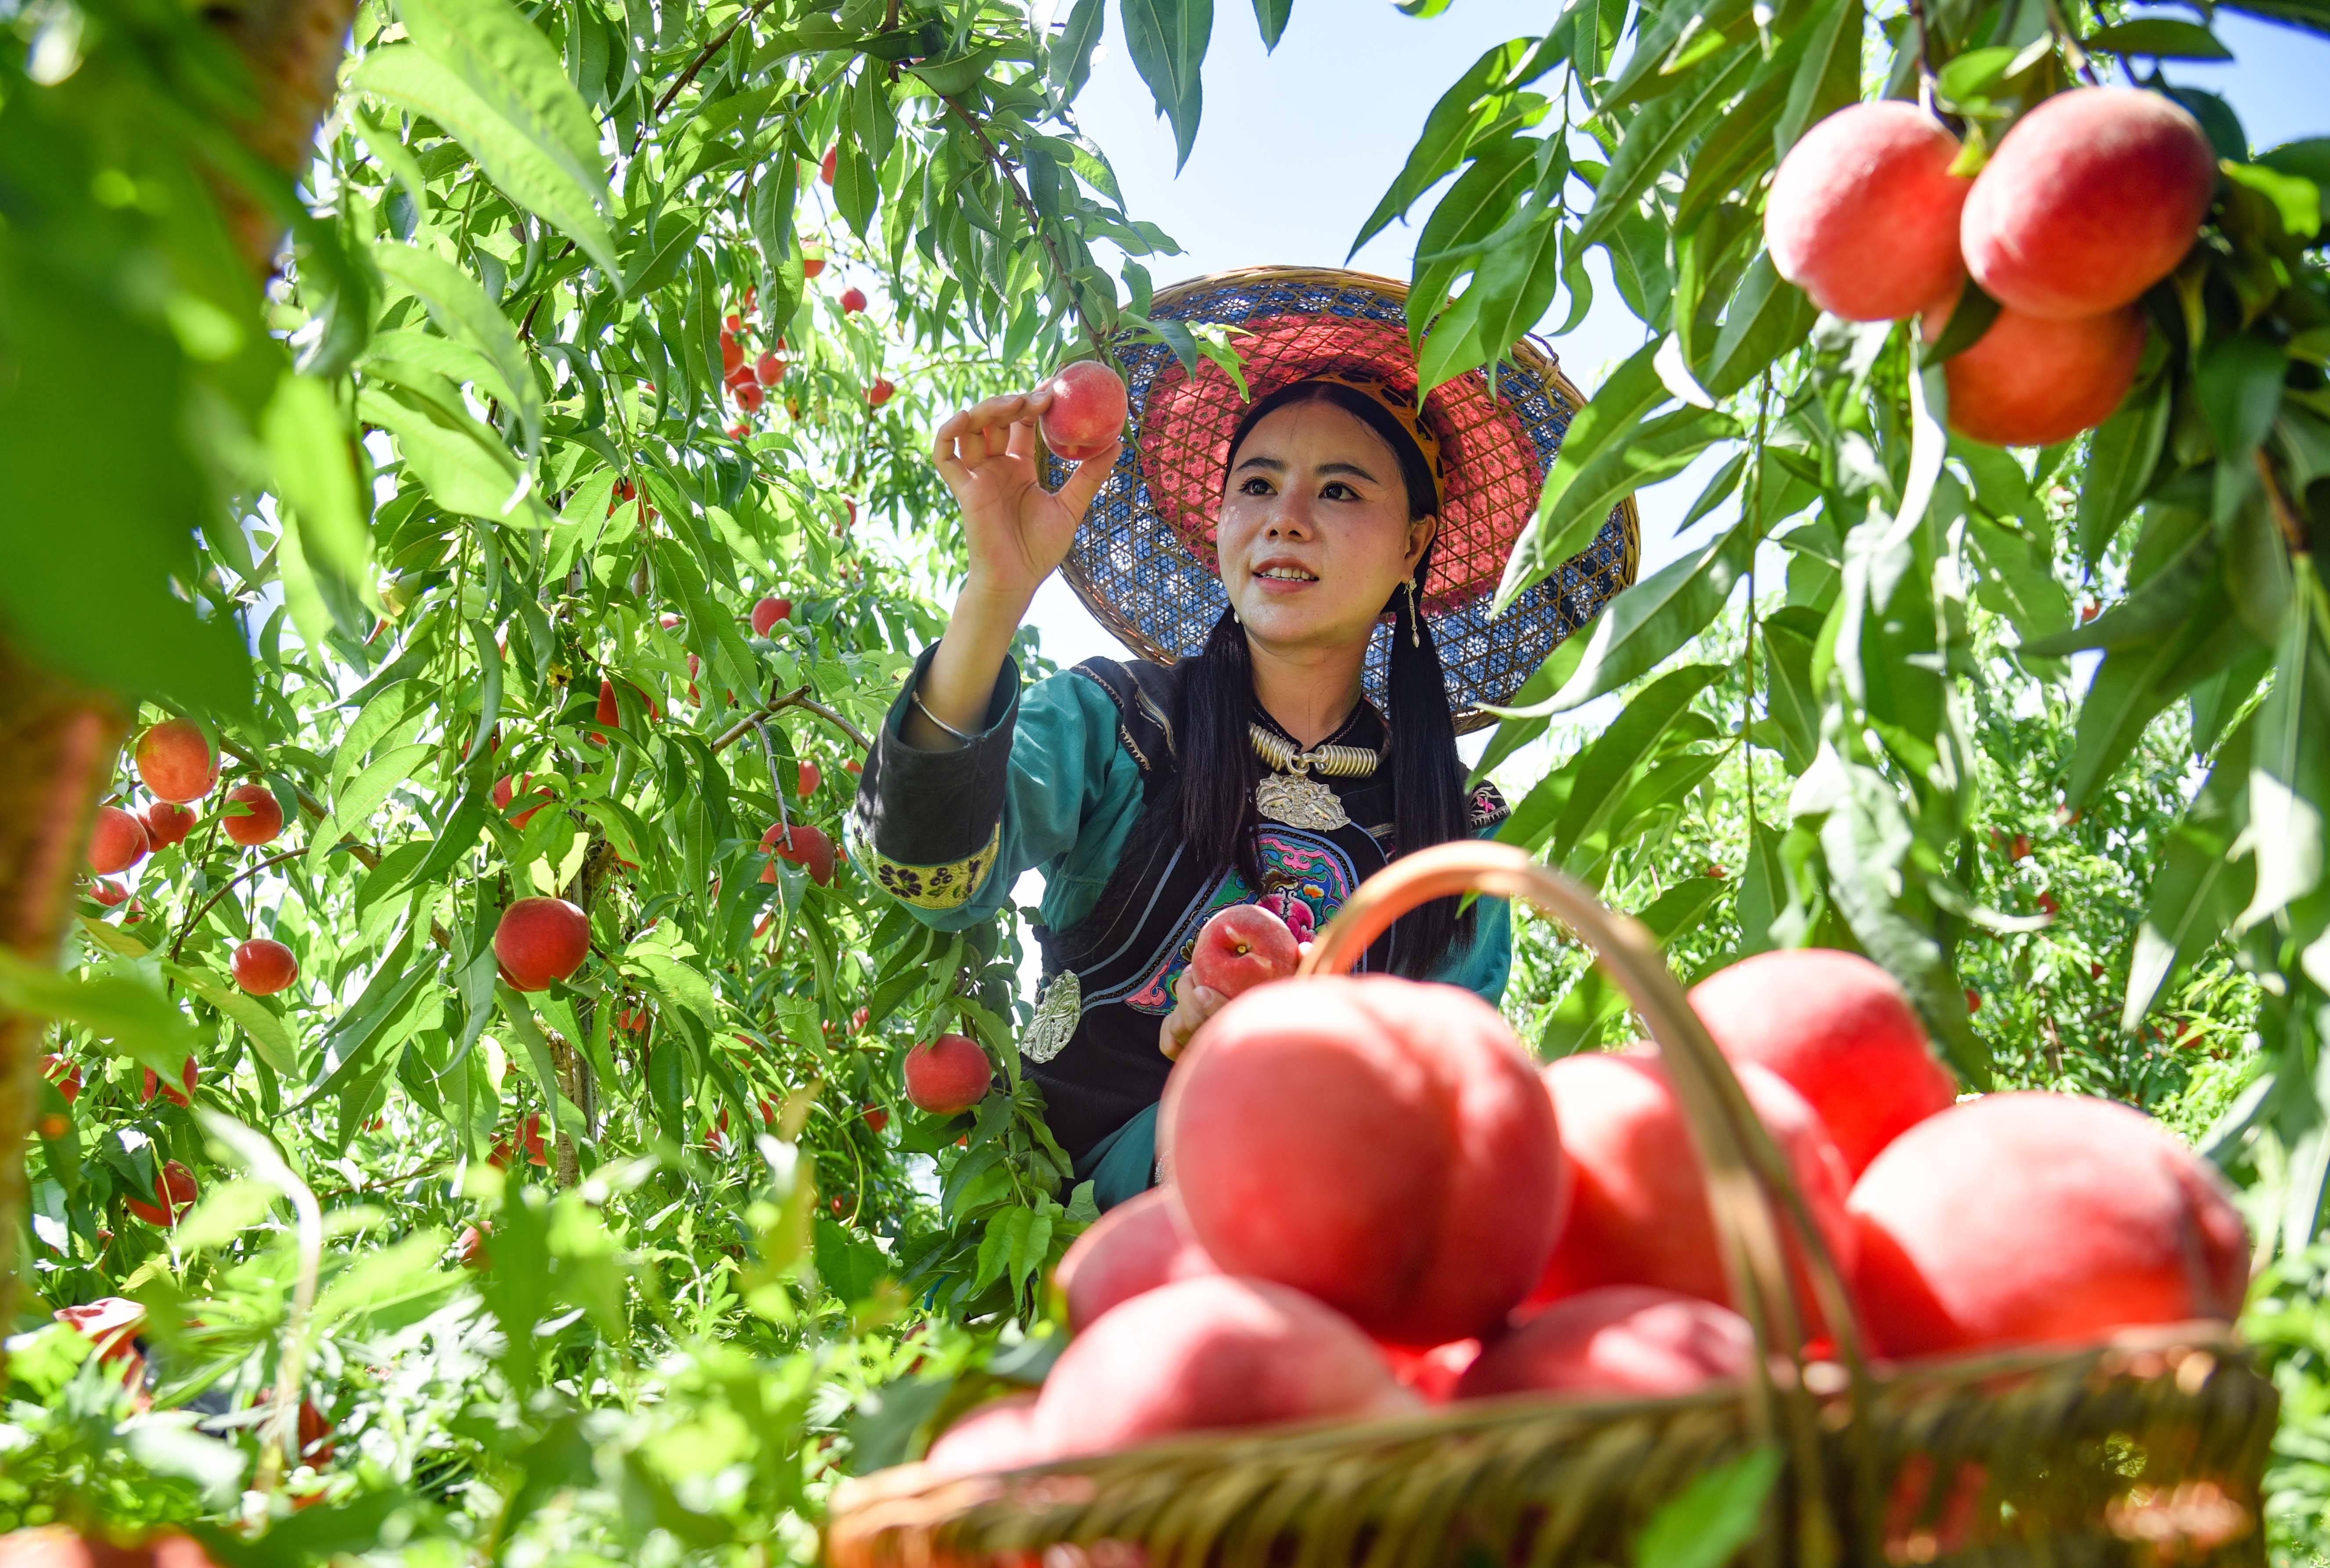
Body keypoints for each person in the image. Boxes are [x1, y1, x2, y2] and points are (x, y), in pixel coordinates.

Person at [849, 267, 1637, 1210]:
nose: (1284, 519)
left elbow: (1451, 1105)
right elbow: (926, 877)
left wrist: (1290, 1044)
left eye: (1339, 492)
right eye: (1256, 484)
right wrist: (994, 595)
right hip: (1076, 1238)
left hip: (1335, 1249)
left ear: (1414, 545)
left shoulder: (1454, 839)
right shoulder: (1118, 726)